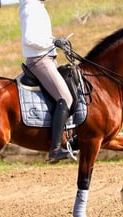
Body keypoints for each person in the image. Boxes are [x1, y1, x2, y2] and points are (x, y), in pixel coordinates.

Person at [19, 0, 73, 163]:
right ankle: (55, 149)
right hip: (40, 61)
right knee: (65, 99)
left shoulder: (38, 6)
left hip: (48, 58)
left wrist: (56, 42)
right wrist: (53, 41)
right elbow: (29, 39)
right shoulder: (30, 7)